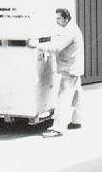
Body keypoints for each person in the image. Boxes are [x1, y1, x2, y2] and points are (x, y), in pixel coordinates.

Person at [29, 8, 84, 138]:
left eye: (59, 18)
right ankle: (77, 121)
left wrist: (36, 45)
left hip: (69, 69)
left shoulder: (69, 31)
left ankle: (58, 128)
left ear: (66, 18)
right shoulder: (72, 28)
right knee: (77, 96)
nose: (57, 21)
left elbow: (56, 47)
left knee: (63, 98)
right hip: (74, 68)